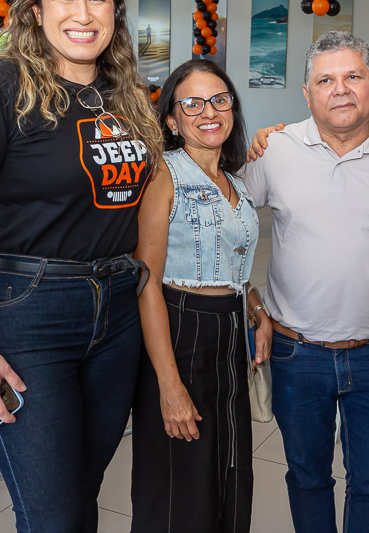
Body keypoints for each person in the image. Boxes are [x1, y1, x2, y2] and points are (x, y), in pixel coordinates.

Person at [0, 0, 162, 532]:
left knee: (81, 495)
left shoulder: (126, 95)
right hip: (29, 311)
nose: (83, 14)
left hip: (116, 310)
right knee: (53, 515)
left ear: (115, 11)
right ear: (35, 9)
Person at [245, 31, 369, 532]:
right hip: (296, 353)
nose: (339, 89)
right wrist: (253, 306)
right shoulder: (275, 150)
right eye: (325, 80)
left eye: (352, 77)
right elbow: (228, 226)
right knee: (306, 477)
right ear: (307, 94)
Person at [130, 59, 268, 532]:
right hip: (180, 331)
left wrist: (255, 308)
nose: (209, 111)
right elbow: (146, 281)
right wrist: (169, 387)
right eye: (192, 103)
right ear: (172, 119)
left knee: (228, 469)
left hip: (229, 334)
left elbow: (232, 264)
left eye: (219, 100)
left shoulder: (236, 181)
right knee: (180, 482)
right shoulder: (163, 173)